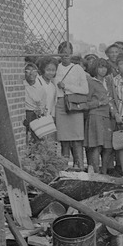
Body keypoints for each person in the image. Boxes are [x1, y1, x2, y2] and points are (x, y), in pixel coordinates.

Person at [54, 41, 89, 170]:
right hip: (61, 105)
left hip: (74, 105)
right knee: (64, 139)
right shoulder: (56, 68)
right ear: (59, 53)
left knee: (77, 138)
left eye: (68, 52)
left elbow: (85, 90)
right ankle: (64, 169)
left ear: (71, 53)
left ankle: (79, 167)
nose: (65, 55)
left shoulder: (77, 68)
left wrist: (67, 87)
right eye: (63, 52)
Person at [82, 55, 114, 174]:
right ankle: (95, 173)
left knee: (108, 147)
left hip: (107, 117)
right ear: (95, 69)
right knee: (96, 145)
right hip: (95, 116)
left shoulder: (108, 81)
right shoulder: (91, 82)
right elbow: (86, 103)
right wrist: (100, 102)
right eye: (100, 67)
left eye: (105, 67)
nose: (103, 70)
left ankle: (104, 173)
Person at [24, 62, 47, 145]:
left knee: (36, 140)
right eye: (28, 71)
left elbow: (43, 105)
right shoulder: (22, 86)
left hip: (36, 115)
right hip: (25, 114)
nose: (31, 74)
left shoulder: (40, 88)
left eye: (34, 71)